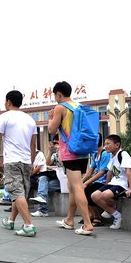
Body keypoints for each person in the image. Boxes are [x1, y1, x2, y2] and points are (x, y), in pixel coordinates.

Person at [48, 81, 95, 235]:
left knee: (77, 186)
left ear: (59, 94)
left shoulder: (60, 107)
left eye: (55, 95)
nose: (55, 98)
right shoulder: (78, 106)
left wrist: (51, 118)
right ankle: (69, 219)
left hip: (70, 152)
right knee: (72, 186)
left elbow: (51, 129)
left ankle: (88, 224)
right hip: (83, 151)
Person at [0, 91, 37, 236]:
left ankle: (28, 225)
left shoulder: (5, 117)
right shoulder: (30, 119)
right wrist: (31, 161)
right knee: (19, 192)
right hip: (26, 161)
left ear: (8, 102)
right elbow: (33, 144)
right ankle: (11, 220)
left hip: (12, 161)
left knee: (16, 192)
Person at [91, 135, 131, 230]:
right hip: (113, 183)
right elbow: (109, 173)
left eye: (108, 144)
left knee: (105, 195)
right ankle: (115, 212)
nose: (105, 146)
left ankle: (116, 215)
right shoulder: (112, 156)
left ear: (117, 145)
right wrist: (107, 185)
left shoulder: (123, 154)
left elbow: (128, 171)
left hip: (123, 184)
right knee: (94, 195)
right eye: (105, 144)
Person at [81, 134, 111, 226]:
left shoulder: (105, 154)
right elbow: (90, 171)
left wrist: (86, 183)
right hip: (97, 182)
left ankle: (97, 217)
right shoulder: (95, 154)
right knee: (80, 189)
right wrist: (80, 182)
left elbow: (102, 172)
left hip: (105, 182)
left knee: (88, 190)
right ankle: (90, 215)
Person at [30, 137, 62, 217]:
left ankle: (43, 210)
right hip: (55, 177)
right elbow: (47, 163)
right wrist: (50, 151)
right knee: (42, 178)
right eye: (54, 143)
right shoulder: (54, 155)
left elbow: (62, 163)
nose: (55, 145)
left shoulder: (65, 153)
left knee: (44, 187)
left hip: (64, 180)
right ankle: (42, 203)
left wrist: (60, 151)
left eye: (56, 143)